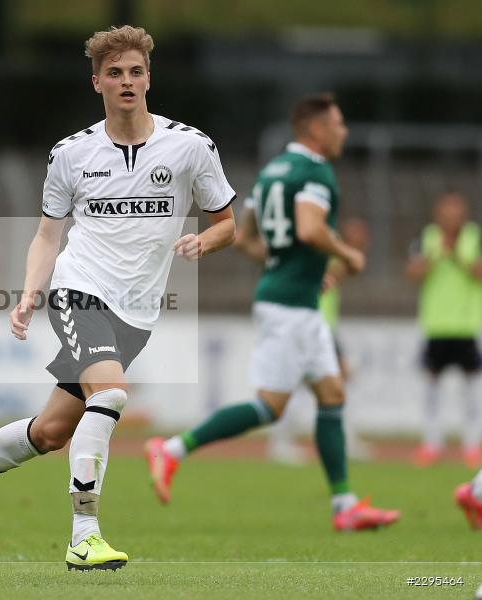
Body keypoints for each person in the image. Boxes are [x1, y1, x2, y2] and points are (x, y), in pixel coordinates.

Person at [0, 25, 237, 571]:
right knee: (113, 394)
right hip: (78, 291)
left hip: (137, 314)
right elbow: (49, 234)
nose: (127, 82)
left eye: (136, 72)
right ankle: (84, 534)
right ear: (96, 81)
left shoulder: (191, 146)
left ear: (149, 78)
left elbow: (228, 224)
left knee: (50, 433)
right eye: (115, 73)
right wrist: (30, 292)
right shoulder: (71, 154)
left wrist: (203, 240)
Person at [145, 93, 400, 531]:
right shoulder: (316, 172)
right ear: (316, 130)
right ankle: (171, 450)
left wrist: (287, 265)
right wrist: (348, 255)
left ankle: (345, 506)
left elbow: (245, 239)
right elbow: (309, 227)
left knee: (332, 394)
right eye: (337, 124)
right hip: (291, 310)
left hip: (291, 300)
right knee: (269, 408)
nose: (343, 131)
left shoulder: (273, 172)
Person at [265, 218, 374, 464]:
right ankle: (287, 441)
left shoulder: (325, 254)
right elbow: (331, 276)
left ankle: (284, 441)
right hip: (313, 324)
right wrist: (350, 251)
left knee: (317, 383)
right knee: (319, 382)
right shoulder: (318, 256)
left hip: (319, 325)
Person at [405, 191, 482, 468]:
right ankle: (431, 443)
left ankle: (472, 445)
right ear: (438, 215)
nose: (451, 218)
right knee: (431, 387)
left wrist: (458, 255)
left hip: (466, 325)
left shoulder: (475, 237)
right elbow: (414, 273)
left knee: (472, 389)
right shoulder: (426, 238)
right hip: (435, 324)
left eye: (456, 213)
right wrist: (438, 254)